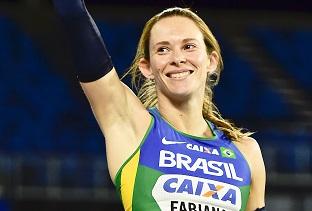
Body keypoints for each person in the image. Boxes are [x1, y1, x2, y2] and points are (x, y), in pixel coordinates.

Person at [52, 0, 266, 210]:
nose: (178, 58)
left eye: (189, 46)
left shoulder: (246, 152)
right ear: (146, 67)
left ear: (211, 61)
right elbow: (73, 15)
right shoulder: (133, 128)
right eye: (163, 50)